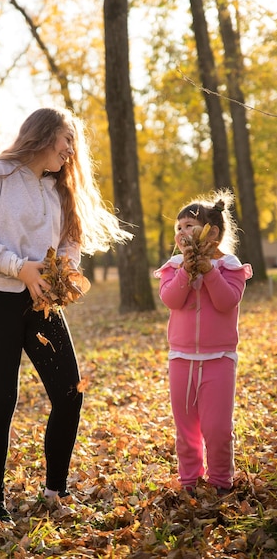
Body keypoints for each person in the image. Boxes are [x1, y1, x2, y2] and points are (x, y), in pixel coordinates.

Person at [0, 107, 132, 524]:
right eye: (66, 139)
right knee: (1, 400)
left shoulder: (56, 187)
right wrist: (20, 267)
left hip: (41, 306)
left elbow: (71, 239)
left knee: (70, 392)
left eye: (73, 143)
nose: (71, 150)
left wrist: (64, 269)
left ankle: (55, 492)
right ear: (44, 134)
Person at [154, 189, 252, 495]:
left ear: (213, 233)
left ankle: (221, 481)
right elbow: (171, 299)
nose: (182, 231)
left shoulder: (230, 267)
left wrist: (208, 270)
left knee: (217, 428)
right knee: (186, 429)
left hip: (219, 359)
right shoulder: (173, 267)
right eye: (178, 228)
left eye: (190, 225)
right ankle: (190, 480)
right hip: (181, 358)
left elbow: (226, 302)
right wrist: (186, 269)